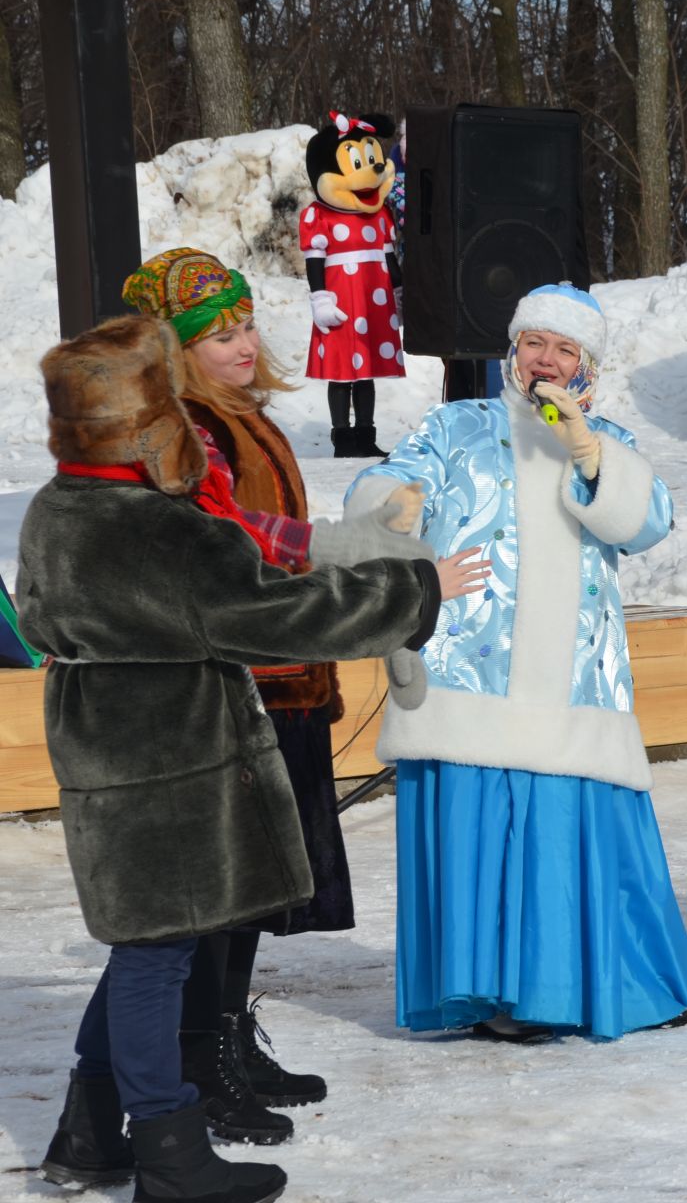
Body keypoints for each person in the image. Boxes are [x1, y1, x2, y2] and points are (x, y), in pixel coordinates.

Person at [21, 315, 471, 1201]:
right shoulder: (164, 529)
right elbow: (277, 614)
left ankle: (88, 1133)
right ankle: (169, 1154)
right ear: (148, 426)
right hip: (173, 761)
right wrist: (416, 587)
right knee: (156, 960)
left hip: (101, 751)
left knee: (141, 945)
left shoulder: (54, 508)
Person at [122, 247, 431, 1145]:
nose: (244, 344)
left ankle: (224, 1034)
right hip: (242, 682)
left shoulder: (242, 417)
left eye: (248, 324)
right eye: (219, 334)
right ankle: (197, 1056)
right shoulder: (189, 433)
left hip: (288, 677)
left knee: (257, 889)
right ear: (174, 350)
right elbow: (235, 555)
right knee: (224, 890)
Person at [346, 283, 687, 1042]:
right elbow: (383, 490)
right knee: (481, 825)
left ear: (586, 365)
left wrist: (589, 452)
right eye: (535, 343)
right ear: (513, 351)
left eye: (564, 348)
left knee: (563, 832)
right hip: (470, 671)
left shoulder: (603, 437)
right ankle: (489, 993)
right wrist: (393, 509)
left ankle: (585, 986)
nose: (546, 359)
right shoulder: (457, 424)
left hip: (574, 677)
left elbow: (647, 524)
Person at [301, 111, 403, 458]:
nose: (372, 170)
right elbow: (314, 259)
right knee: (343, 371)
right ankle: (342, 438)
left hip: (374, 301)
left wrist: (400, 292)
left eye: (374, 159)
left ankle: (365, 435)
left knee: (368, 372)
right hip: (342, 300)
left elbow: (388, 256)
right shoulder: (319, 216)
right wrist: (319, 298)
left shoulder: (380, 214)